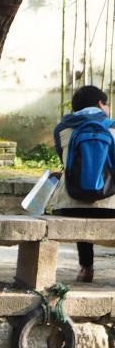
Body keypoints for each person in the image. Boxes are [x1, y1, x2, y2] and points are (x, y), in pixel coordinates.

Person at [51, 84, 115, 283]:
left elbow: (66, 162)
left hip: (69, 206)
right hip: (110, 206)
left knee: (81, 199)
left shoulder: (62, 128)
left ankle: (86, 268)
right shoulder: (112, 126)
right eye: (107, 104)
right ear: (100, 104)